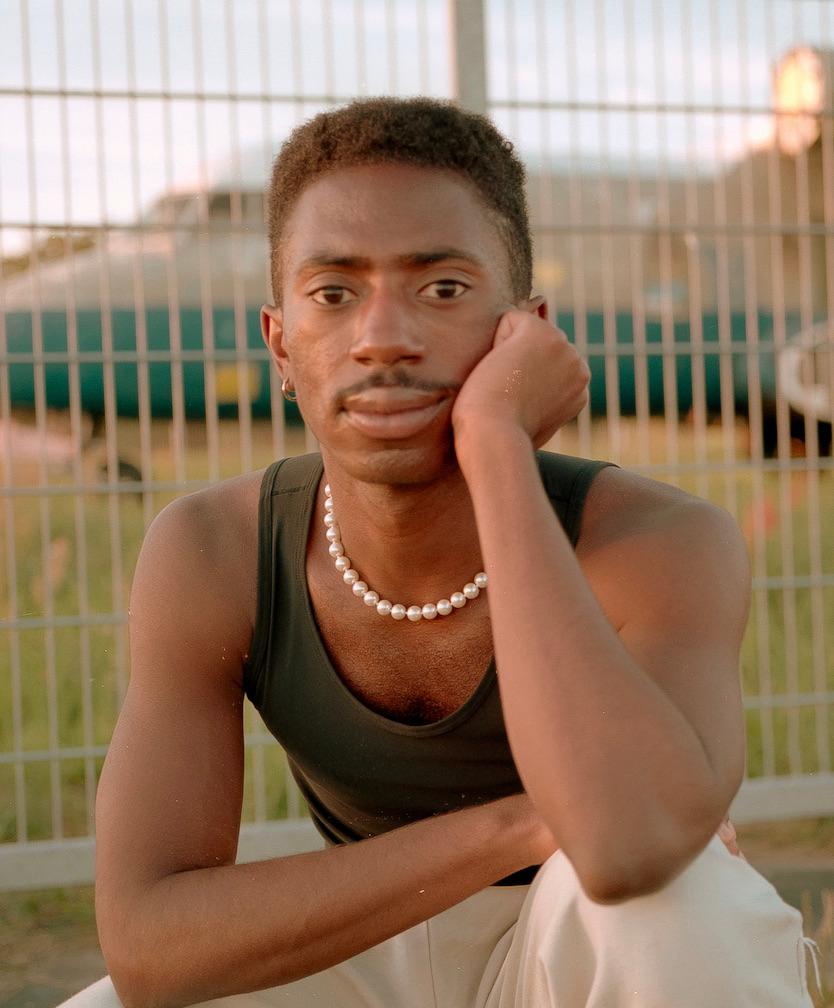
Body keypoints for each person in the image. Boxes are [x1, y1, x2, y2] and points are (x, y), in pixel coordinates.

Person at [66, 98, 813, 1008]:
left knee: (680, 897)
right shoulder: (211, 548)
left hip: (579, 947)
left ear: (526, 332)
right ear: (280, 343)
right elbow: (148, 946)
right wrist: (522, 826)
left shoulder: (660, 538)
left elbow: (625, 850)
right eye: (333, 293)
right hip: (361, 946)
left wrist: (496, 442)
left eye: (443, 289)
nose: (382, 337)